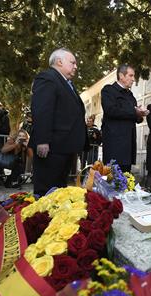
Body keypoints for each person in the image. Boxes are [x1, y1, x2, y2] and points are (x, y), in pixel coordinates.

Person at [29, 48, 88, 196]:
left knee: (59, 191)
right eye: (72, 62)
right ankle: (41, 219)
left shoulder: (67, 83)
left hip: (64, 146)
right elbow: (42, 110)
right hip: (52, 146)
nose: (76, 66)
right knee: (46, 192)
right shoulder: (47, 78)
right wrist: (42, 140)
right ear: (60, 61)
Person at [101, 64, 149, 173]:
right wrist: (134, 111)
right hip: (114, 144)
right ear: (121, 76)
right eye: (131, 76)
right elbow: (111, 110)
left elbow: (135, 118)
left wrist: (141, 114)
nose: (133, 79)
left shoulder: (131, 96)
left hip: (128, 145)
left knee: (126, 180)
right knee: (113, 181)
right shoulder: (109, 90)